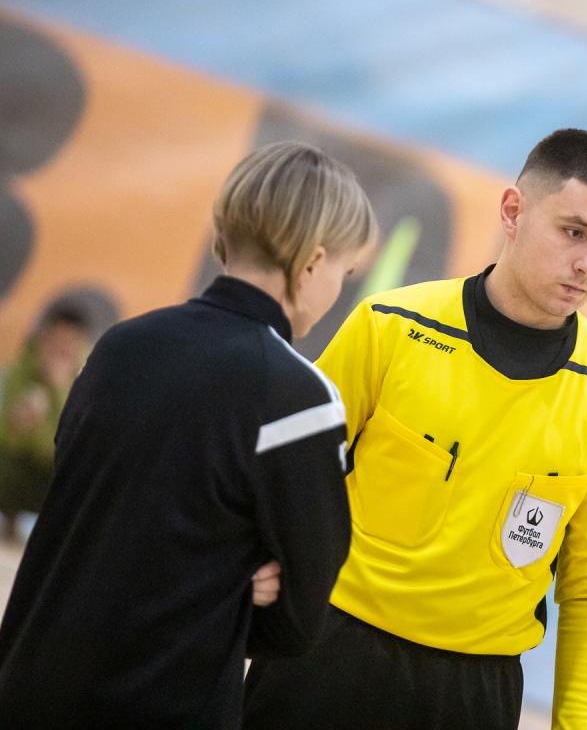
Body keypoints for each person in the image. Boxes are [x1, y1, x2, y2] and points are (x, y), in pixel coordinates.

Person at [243, 128, 587, 730]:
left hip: (476, 693)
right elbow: (277, 482)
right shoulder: (390, 326)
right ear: (513, 211)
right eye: (573, 232)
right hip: (328, 655)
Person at [0, 141, 377, 727]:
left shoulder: (119, 347)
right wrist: (229, 587)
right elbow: (298, 619)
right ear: (311, 263)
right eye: (344, 272)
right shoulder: (299, 401)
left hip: (27, 682)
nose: (338, 289)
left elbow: (92, 512)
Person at [0, 305, 90, 538]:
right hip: (18, 471)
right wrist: (16, 427)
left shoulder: (86, 381)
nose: (61, 351)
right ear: (43, 338)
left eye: (69, 344)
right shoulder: (19, 372)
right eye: (56, 342)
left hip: (54, 476)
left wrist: (59, 391)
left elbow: (70, 448)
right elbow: (7, 440)